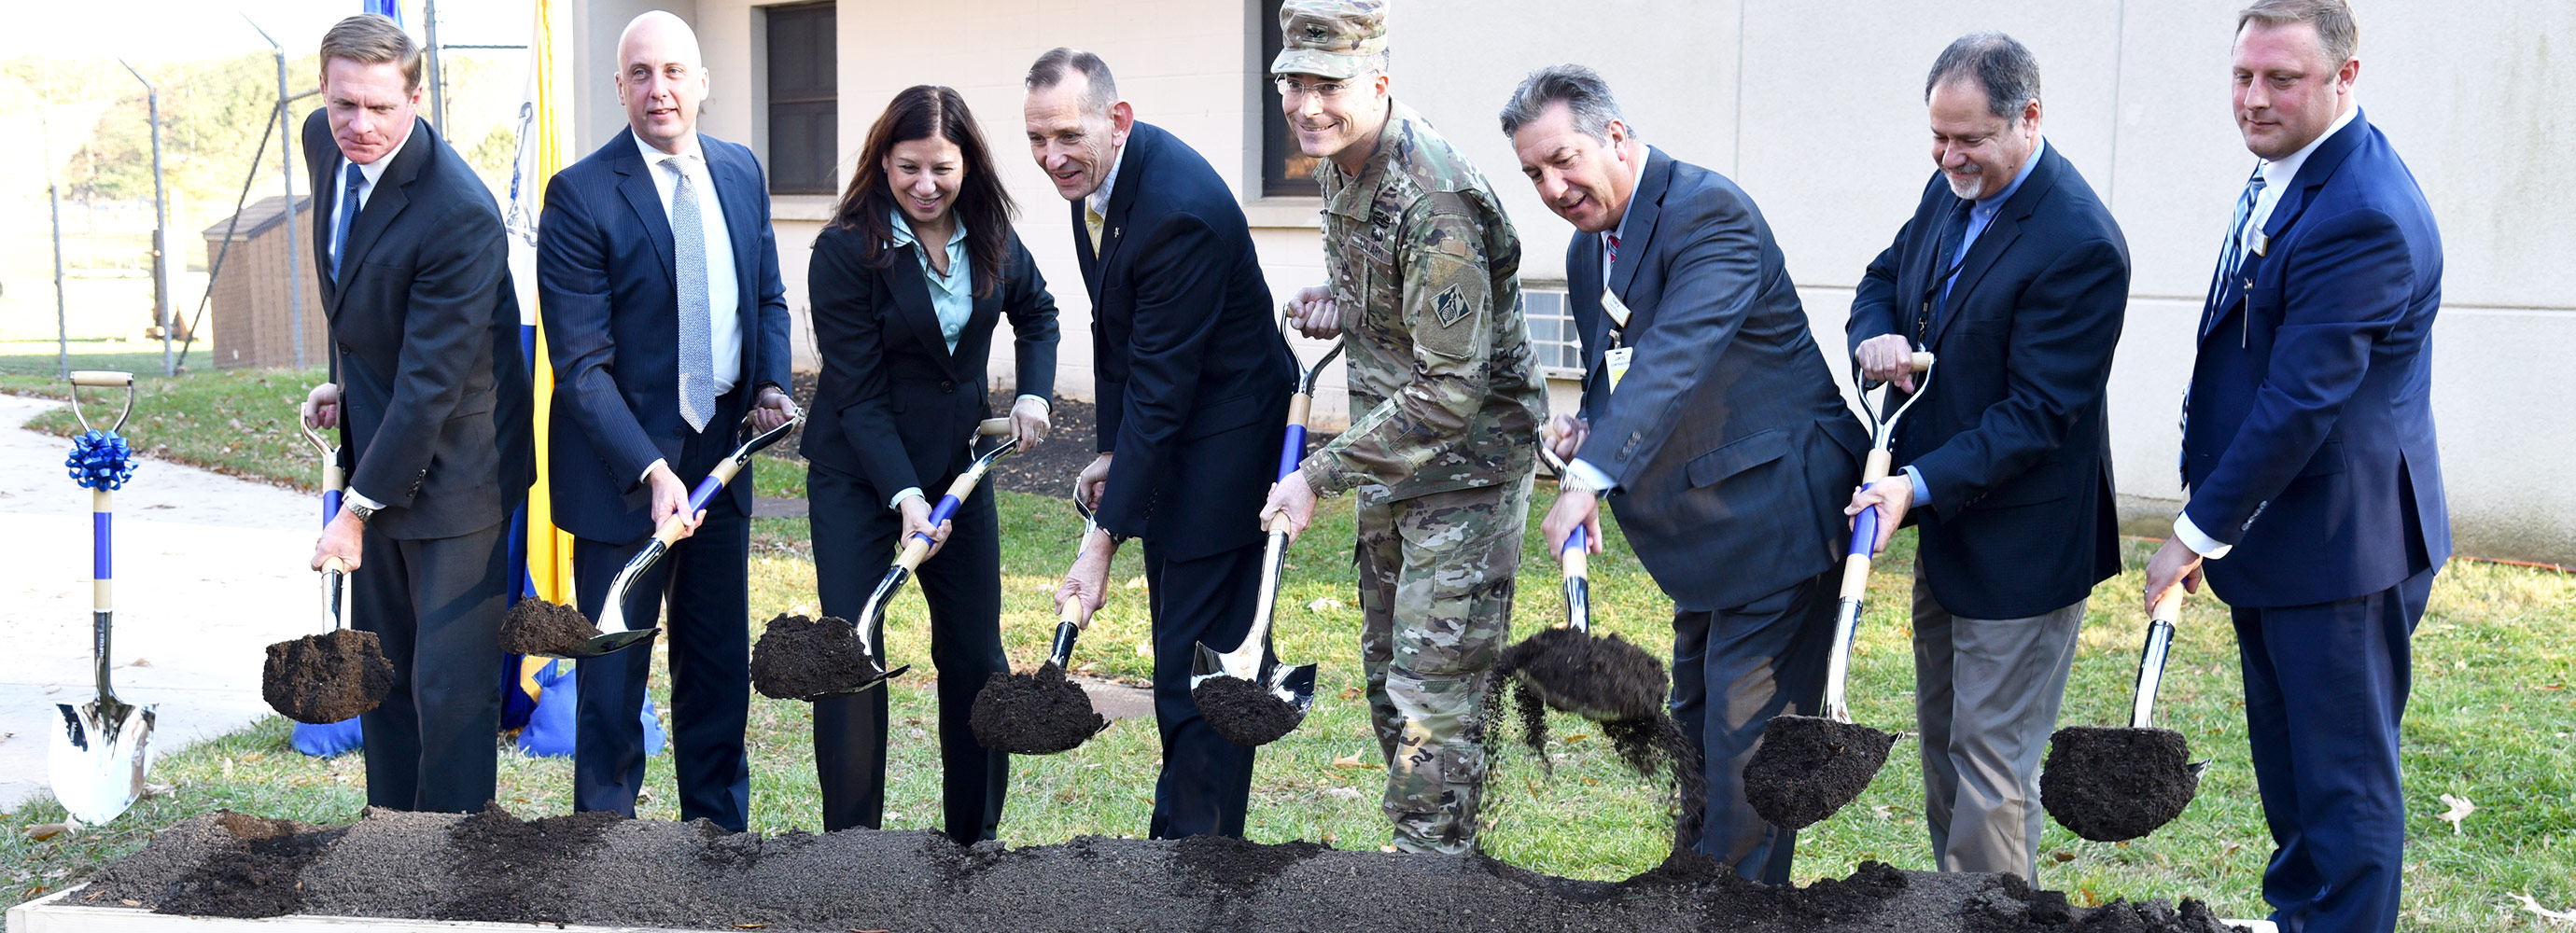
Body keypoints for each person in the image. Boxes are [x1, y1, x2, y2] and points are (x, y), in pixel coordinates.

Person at [1501, 65, 1867, 880]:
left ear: (1618, 139)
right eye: (1533, 174)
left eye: (1564, 160)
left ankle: (1734, 905)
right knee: (1698, 720)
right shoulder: (1589, 247)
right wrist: (1584, 431)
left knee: (1747, 741)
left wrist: (1593, 475)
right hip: (1705, 533)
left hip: (1776, 511)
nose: (1553, 187)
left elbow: (1675, 358)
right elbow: (1622, 378)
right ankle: (1696, 887)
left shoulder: (1710, 214)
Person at [2143, 2, 2445, 928]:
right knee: (2297, 782)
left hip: (2342, 547)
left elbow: (2301, 402)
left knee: (2342, 795)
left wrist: (2195, 531)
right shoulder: (2288, 170)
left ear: (2347, 76)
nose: (2254, 98)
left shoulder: (2364, 214)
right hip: (2281, 536)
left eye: (2282, 79)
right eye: (2243, 76)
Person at [1840, 34, 2131, 882]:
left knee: (1990, 767)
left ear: (2029, 119)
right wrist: (1875, 338)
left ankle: (1991, 916)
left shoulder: (2080, 242)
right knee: (1946, 748)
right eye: (1937, 136)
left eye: (1968, 139)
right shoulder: (1951, 190)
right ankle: (1955, 905)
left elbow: (2038, 416)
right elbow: (1881, 279)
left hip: (2025, 545)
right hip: (1949, 527)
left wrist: (1914, 487)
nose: (1947, 156)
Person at [1262, 0, 1547, 856]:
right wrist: (1337, 301)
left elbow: (1451, 391)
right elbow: (1392, 298)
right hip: (1396, 464)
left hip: (1467, 468)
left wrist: (1314, 476)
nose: (1307, 106)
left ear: (1378, 83)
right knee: (1392, 685)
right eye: (1294, 85)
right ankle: (1444, 862)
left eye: (1330, 86)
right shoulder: (1339, 161)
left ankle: (1428, 885)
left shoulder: (1435, 196)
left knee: (1436, 696)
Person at [536, 10, 796, 832]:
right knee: (614, 672)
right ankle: (604, 847)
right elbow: (580, 366)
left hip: (723, 456)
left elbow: (766, 297)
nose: (660, 89)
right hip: (623, 471)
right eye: (641, 74)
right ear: (619, 87)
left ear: (703, 82)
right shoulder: (579, 194)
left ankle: (717, 840)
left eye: (675, 71)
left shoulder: (741, 171)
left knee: (715, 665)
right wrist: (652, 471)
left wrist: (771, 384)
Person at [1032, 49, 1296, 839]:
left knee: (1204, 667)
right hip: (1179, 431)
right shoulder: (1106, 184)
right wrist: (1115, 455)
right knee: (1180, 652)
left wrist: (1103, 536)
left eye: (1068, 135)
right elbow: (1117, 342)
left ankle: (1201, 858)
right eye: (1037, 138)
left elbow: (1162, 384)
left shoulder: (1175, 210)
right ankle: (1183, 826)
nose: (1052, 157)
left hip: (1224, 446)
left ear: (1119, 121)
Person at [801, 84, 1058, 842]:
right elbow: (859, 396)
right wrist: (906, 496)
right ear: (883, 162)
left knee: (976, 653)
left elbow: (1037, 311)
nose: (925, 184)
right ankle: (855, 852)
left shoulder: (991, 233)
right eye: (909, 167)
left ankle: (972, 845)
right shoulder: (845, 251)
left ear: (967, 164)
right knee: (852, 651)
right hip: (858, 474)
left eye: (941, 167)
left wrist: (1036, 393)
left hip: (959, 470)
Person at [296, 12, 532, 814]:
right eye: (343, 104)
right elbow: (358, 284)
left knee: (449, 688)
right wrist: (344, 380)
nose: (358, 126)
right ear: (324, 93)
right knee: (385, 670)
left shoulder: (459, 212)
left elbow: (433, 381)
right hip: (385, 436)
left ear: (417, 98)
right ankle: (391, 845)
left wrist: (354, 511)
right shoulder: (321, 142)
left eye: (380, 108)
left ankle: (457, 862)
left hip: (460, 466)